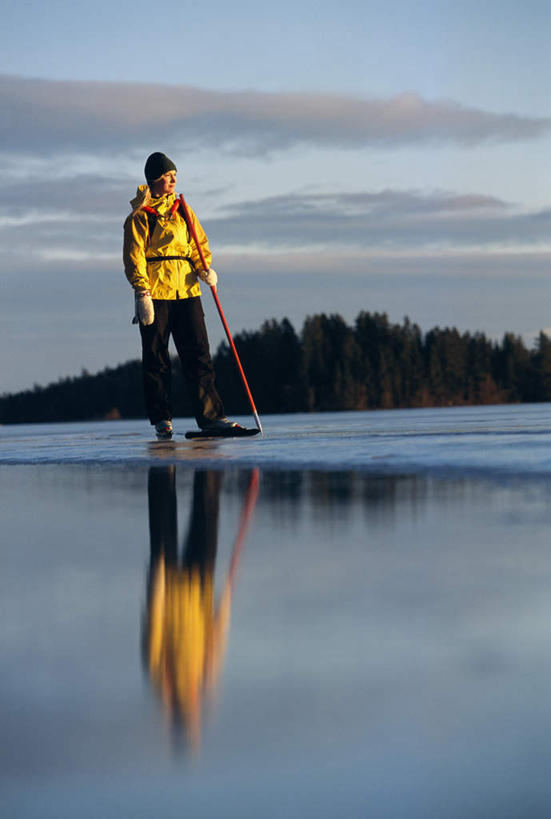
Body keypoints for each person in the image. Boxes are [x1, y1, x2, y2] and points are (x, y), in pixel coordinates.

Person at [123, 152, 239, 438]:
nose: (173, 179)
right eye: (167, 175)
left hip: (187, 289)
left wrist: (204, 269)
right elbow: (134, 255)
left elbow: (198, 242)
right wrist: (142, 293)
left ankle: (211, 417)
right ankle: (162, 419)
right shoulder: (140, 217)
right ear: (154, 180)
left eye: (174, 174)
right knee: (156, 358)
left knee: (198, 354)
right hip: (156, 293)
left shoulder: (183, 209)